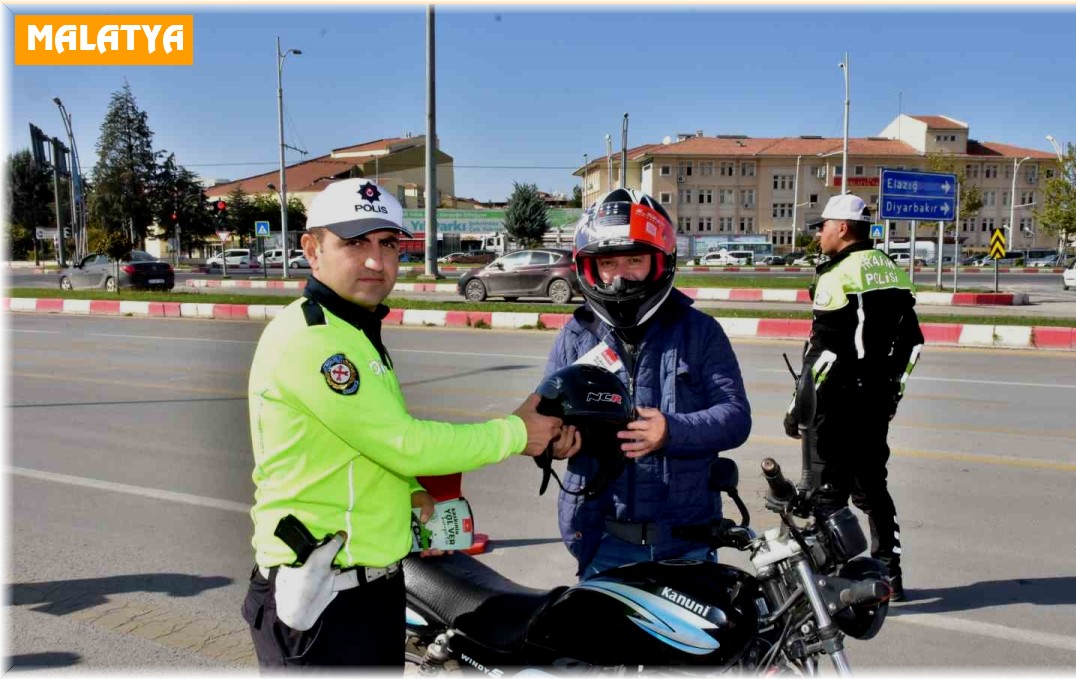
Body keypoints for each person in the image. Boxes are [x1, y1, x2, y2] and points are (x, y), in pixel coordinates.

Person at [241, 178, 569, 667]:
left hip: (369, 587)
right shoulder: (314, 339)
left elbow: (360, 447)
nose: (375, 260)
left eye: (388, 243)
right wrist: (517, 433)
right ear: (311, 249)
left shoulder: (353, 328)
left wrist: (410, 493)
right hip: (322, 599)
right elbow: (403, 442)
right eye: (354, 243)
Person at [544, 188, 752, 579]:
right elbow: (546, 418)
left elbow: (736, 416)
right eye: (608, 263)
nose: (620, 277)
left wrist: (672, 430)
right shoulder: (575, 336)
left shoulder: (700, 331)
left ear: (660, 261)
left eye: (635, 260)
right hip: (603, 542)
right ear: (589, 267)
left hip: (685, 544)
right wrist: (555, 442)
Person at [789, 193, 924, 602]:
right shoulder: (893, 270)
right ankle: (890, 574)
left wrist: (799, 407)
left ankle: (827, 582)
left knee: (825, 493)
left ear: (843, 228)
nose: (819, 234)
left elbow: (825, 354)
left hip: (839, 403)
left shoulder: (837, 276)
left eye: (823, 226)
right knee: (873, 489)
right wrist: (892, 392)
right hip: (877, 402)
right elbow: (913, 344)